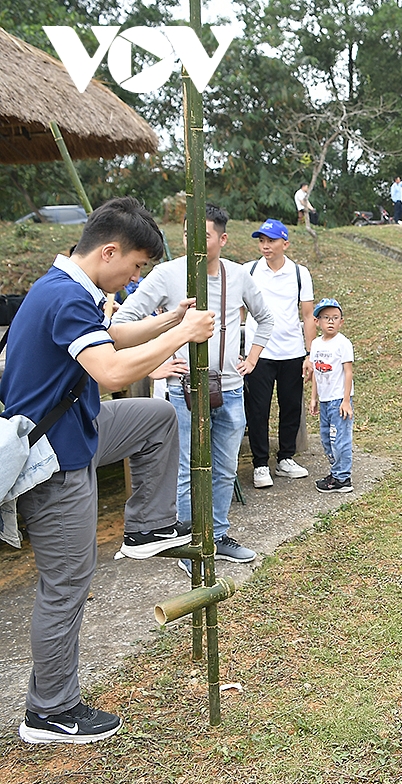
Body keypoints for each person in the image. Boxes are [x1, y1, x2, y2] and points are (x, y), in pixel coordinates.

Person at [1, 197, 216, 744]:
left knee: (155, 417)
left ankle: (146, 528)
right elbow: (111, 368)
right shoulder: (66, 296)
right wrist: (182, 336)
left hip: (82, 432)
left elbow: (111, 339)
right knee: (66, 584)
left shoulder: (66, 289)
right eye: (137, 267)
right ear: (110, 251)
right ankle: (49, 711)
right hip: (55, 461)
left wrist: (167, 319)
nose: (135, 276)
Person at [113, 203, 273, 565]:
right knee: (185, 470)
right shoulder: (167, 274)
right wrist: (158, 361)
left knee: (225, 467)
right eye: (188, 234)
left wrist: (252, 358)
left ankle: (216, 536)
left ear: (223, 239)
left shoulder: (238, 276)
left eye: (204, 235)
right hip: (184, 388)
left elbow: (266, 319)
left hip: (230, 388)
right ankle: (191, 547)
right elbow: (124, 321)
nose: (194, 242)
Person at [243, 219, 316, 489]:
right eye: (261, 240)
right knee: (258, 410)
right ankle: (260, 464)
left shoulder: (300, 273)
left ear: (285, 243)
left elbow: (307, 316)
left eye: (271, 241)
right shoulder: (248, 271)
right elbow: (239, 311)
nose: (265, 246)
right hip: (258, 354)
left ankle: (286, 458)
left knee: (291, 408)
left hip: (291, 351)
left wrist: (310, 353)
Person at [308, 298, 354, 493]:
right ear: (317, 321)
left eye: (335, 318)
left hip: (338, 400)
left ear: (341, 322)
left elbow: (348, 372)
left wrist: (346, 401)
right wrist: (313, 398)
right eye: (326, 317)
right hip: (325, 400)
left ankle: (343, 478)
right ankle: (336, 472)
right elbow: (316, 374)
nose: (330, 321)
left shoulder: (343, 343)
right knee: (326, 439)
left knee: (340, 439)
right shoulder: (316, 344)